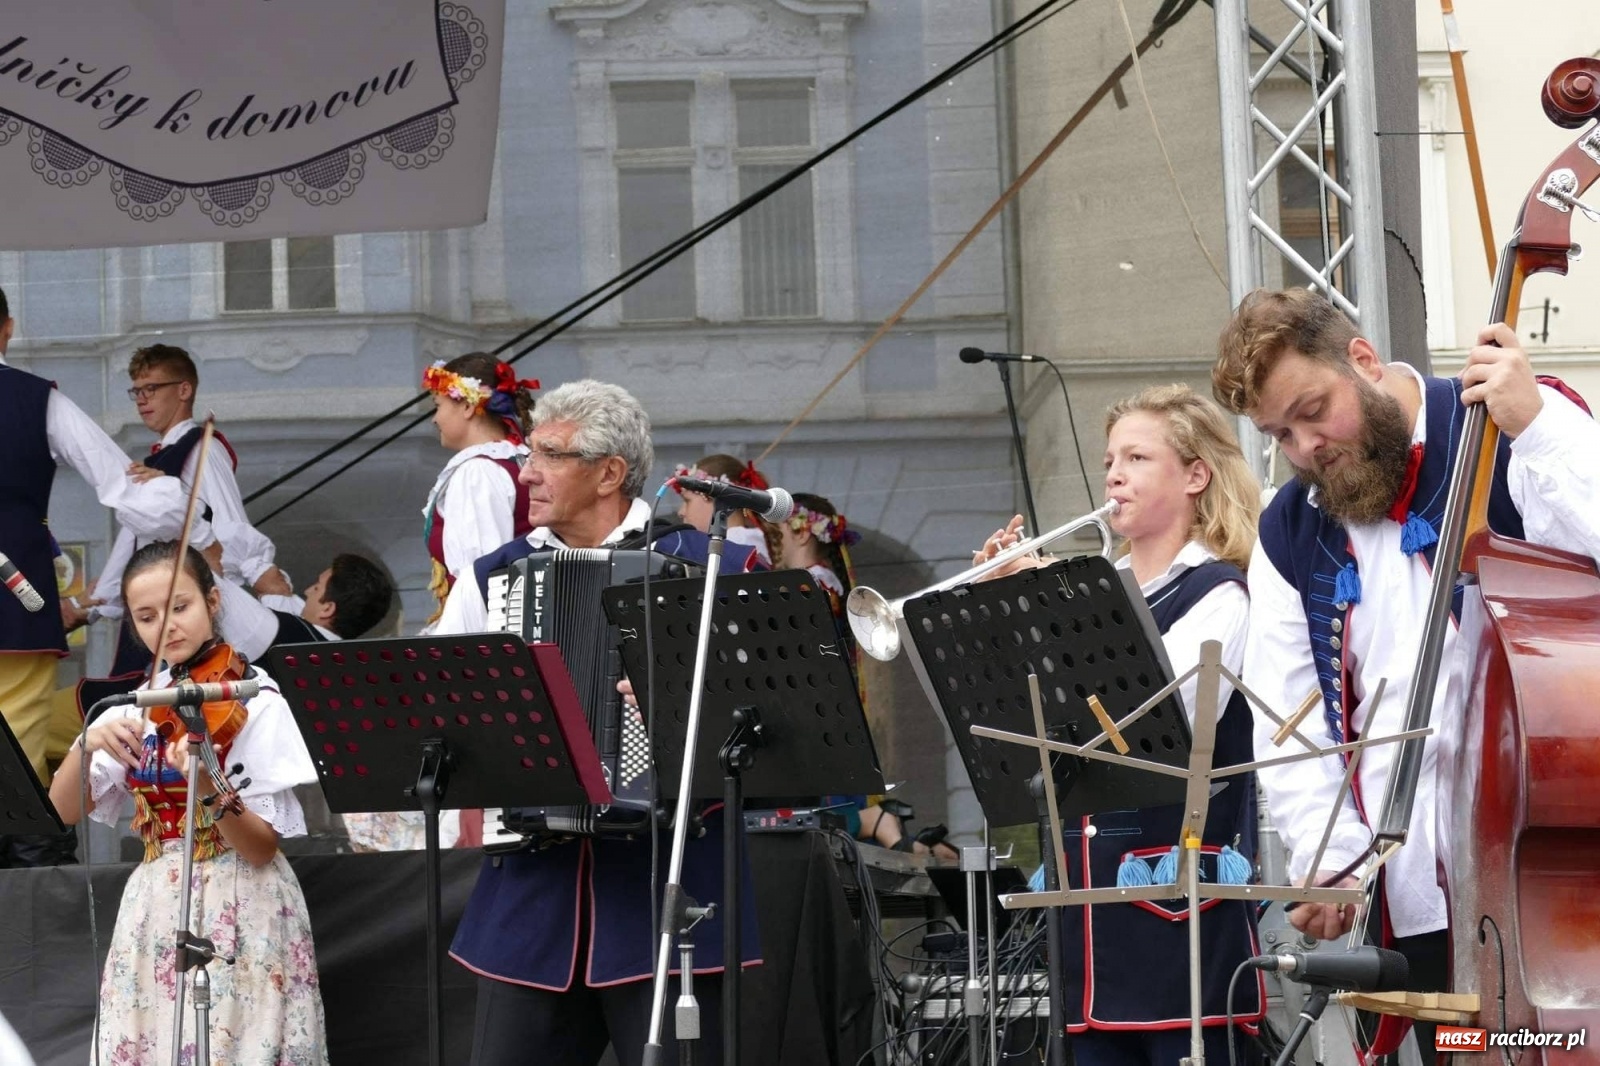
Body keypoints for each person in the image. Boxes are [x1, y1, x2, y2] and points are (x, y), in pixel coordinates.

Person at [1210, 288, 1600, 1057]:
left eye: (1314, 411)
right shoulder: (1290, 531)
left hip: (1555, 864)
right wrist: (1332, 866)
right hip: (1417, 887)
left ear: (1363, 360)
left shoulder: (1503, 421)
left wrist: (1540, 429)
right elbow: (1293, 725)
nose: (1305, 448)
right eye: (1279, 434)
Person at [435, 380, 758, 1066]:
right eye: (529, 454)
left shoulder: (715, 571)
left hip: (672, 888)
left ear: (609, 472)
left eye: (550, 455)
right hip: (530, 896)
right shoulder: (491, 580)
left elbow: (767, 727)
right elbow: (441, 710)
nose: (526, 473)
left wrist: (676, 720)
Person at [975, 383, 1265, 1064]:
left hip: (1179, 925)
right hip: (1088, 925)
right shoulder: (1099, 583)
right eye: (1111, 459)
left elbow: (1158, 717)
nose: (1114, 475)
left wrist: (1053, 600)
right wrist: (1006, 615)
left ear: (1195, 475)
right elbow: (1032, 726)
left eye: (1136, 457)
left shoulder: (1218, 591)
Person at [47, 541, 327, 1064]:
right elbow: (62, 812)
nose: (167, 626)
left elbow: (261, 848)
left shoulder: (255, 699)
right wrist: (87, 744)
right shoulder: (135, 706)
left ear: (213, 602)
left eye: (181, 607)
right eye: (147, 617)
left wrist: (210, 783)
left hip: (243, 899)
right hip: (155, 902)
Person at [0, 288, 222, 868]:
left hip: (17, 592)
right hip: (13, 594)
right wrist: (179, 506)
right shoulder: (35, 401)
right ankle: (27, 886)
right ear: (7, 329)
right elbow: (119, 484)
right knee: (18, 738)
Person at [90, 343, 279, 676]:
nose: (142, 399)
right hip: (164, 619)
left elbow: (232, 535)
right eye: (136, 391)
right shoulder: (163, 459)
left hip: (191, 631)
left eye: (151, 388)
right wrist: (92, 603)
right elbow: (131, 544)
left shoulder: (201, 449)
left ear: (184, 389)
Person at [419, 353, 538, 626]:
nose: (434, 419)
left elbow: (481, 579)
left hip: (484, 635)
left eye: (438, 405)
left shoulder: (478, 473)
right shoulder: (518, 460)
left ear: (468, 406)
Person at [215, 553, 395, 661]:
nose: (308, 591)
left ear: (327, 609)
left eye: (317, 588)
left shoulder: (280, 632)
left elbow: (210, 586)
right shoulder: (342, 663)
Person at [673, 454, 774, 566]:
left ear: (714, 496)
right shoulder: (745, 541)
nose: (681, 512)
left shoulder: (737, 543)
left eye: (687, 501)